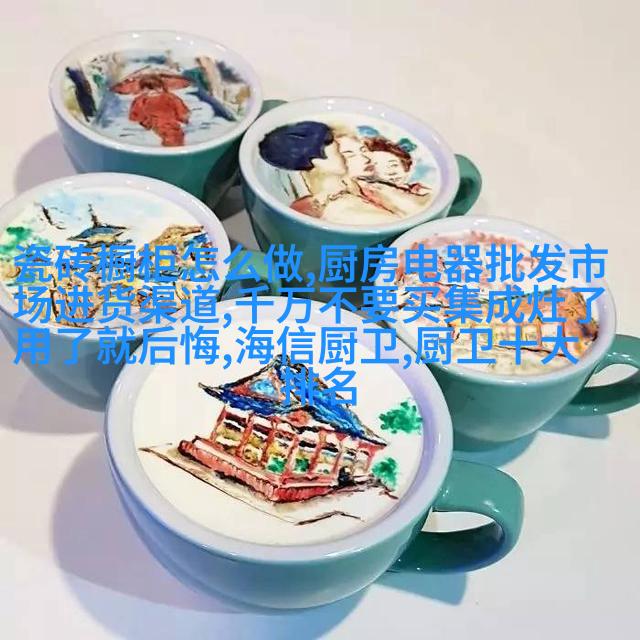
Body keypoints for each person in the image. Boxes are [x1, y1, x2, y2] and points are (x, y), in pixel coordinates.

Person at [259, 121, 398, 224]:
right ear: (314, 160)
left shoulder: (363, 190)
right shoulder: (337, 209)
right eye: (340, 151)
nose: (342, 154)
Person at [129, 74, 190, 147]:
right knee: (164, 133)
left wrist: (183, 116)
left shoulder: (169, 97)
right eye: (149, 89)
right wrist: (141, 120)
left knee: (174, 134)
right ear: (143, 90)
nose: (154, 91)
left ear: (162, 87)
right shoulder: (142, 100)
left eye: (158, 88)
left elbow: (179, 105)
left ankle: (173, 146)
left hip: (170, 121)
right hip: (152, 122)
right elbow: (137, 111)